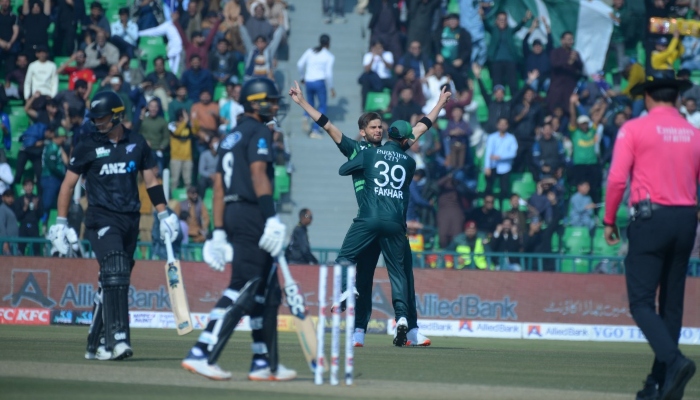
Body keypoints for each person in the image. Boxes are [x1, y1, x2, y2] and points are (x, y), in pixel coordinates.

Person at [289, 80, 450, 347]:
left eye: (380, 127)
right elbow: (328, 126)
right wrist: (303, 102)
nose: (378, 130)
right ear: (362, 132)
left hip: (384, 221)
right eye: (373, 127)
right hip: (369, 221)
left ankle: (411, 330)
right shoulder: (357, 150)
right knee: (363, 278)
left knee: (405, 275)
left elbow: (420, 128)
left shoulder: (394, 151)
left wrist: (439, 105)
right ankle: (359, 331)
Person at [48, 91, 179, 361]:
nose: (96, 122)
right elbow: (68, 185)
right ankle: (118, 339)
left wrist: (164, 214)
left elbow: (152, 181)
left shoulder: (137, 142)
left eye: (102, 117)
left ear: (117, 115)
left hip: (130, 218)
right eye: (94, 118)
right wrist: (60, 223)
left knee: (114, 281)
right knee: (115, 269)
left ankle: (95, 344)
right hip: (100, 218)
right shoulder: (86, 145)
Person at [181, 77, 296, 381]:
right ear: (256, 102)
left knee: (267, 291)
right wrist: (271, 217)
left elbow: (217, 187)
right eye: (270, 100)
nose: (274, 105)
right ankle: (202, 351)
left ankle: (264, 362)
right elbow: (259, 174)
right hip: (251, 213)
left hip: (233, 211)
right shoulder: (259, 131)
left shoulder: (230, 136)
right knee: (244, 285)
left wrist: (219, 231)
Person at [604, 70, 699, 400]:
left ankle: (674, 363)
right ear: (675, 97)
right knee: (671, 306)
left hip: (650, 218)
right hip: (687, 220)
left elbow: (617, 179)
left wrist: (607, 220)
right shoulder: (693, 132)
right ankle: (658, 385)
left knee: (642, 303)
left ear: (647, 96)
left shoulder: (634, 128)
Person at [336, 120, 416, 346]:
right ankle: (401, 318)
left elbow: (344, 169)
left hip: (369, 218)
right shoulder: (410, 163)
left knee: (348, 260)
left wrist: (364, 170)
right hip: (394, 222)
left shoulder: (371, 155)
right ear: (404, 140)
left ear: (388, 134)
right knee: (399, 274)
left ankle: (348, 295)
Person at [297, 34, 335, 138]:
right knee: (322, 106)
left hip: (309, 81)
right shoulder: (329, 56)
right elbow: (329, 74)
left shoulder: (310, 51)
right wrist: (331, 87)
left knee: (309, 103)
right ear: (328, 43)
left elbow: (300, 64)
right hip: (320, 82)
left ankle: (305, 116)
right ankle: (315, 129)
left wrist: (302, 77)